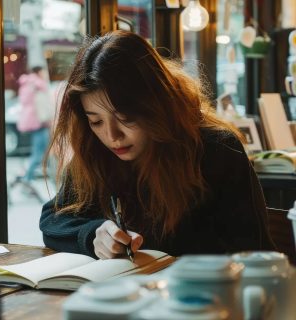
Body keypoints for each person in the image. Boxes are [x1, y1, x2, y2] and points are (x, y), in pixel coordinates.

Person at [39, 31, 275, 260]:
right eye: (96, 121)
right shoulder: (96, 152)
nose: (112, 136)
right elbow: (53, 218)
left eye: (125, 117)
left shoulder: (216, 150)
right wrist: (93, 235)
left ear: (157, 106)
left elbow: (253, 248)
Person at [17, 66, 51, 185]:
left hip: (34, 122)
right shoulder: (37, 85)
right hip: (39, 122)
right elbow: (42, 105)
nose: (45, 74)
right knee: (40, 153)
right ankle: (28, 178)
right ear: (39, 72)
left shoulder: (28, 84)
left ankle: (28, 176)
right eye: (43, 71)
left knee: (40, 152)